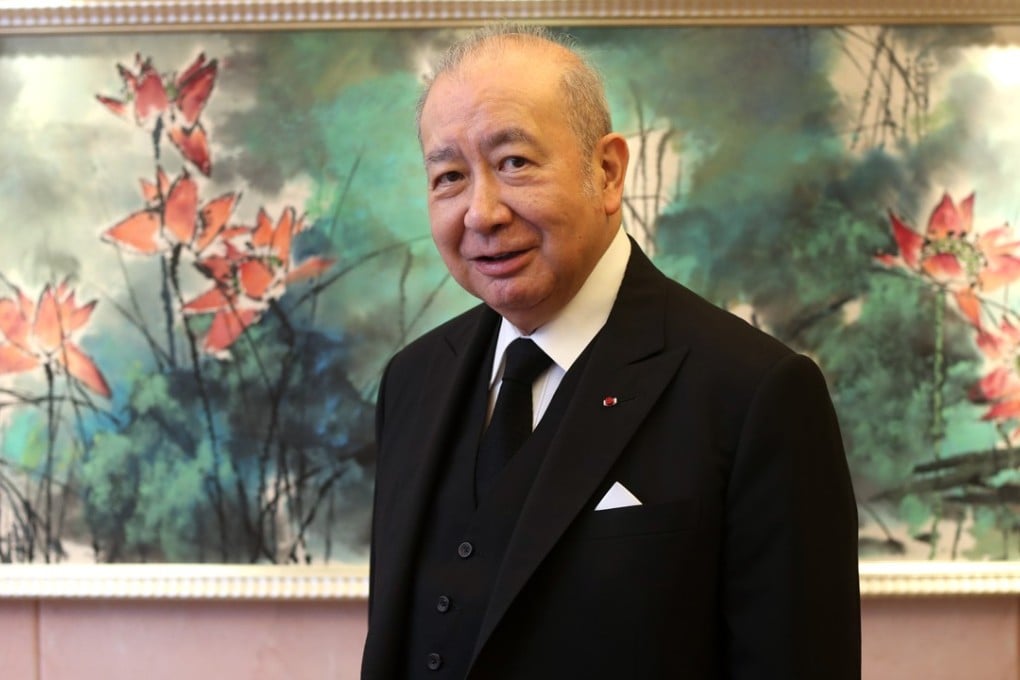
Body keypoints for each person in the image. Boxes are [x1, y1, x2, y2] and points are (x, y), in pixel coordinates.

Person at [362, 24, 860, 679]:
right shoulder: (412, 379)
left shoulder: (756, 392)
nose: (481, 213)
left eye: (514, 163)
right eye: (449, 176)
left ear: (606, 172)